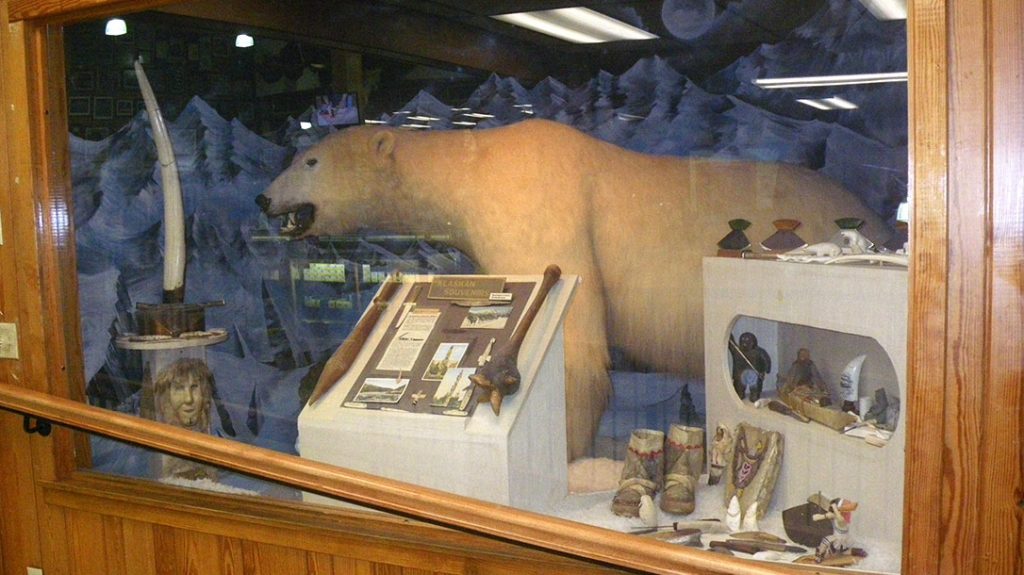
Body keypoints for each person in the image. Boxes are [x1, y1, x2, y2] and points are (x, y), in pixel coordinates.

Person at [729, 332, 771, 401]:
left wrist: (767, 369)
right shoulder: (737, 351)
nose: (745, 344)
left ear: (753, 342)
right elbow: (731, 343)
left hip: (754, 373)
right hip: (740, 373)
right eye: (743, 341)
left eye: (748, 341)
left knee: (755, 387)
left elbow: (766, 360)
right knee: (739, 386)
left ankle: (754, 395)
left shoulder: (758, 352)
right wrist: (729, 336)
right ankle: (740, 394)